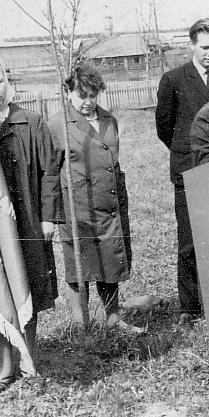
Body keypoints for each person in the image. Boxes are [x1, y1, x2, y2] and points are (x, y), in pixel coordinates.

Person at [0, 47, 59, 395]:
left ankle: (28, 359)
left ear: (8, 81)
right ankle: (5, 365)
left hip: (26, 222)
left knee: (28, 287)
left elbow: (49, 171)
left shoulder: (30, 122)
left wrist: (50, 217)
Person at [45, 64, 142, 333]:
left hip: (109, 203)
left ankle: (113, 315)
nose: (88, 102)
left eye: (93, 95)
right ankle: (81, 322)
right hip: (77, 206)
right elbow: (50, 173)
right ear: (68, 92)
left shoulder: (109, 120)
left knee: (109, 258)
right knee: (80, 264)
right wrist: (50, 214)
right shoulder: (57, 124)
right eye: (81, 95)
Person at [155, 18, 209, 325]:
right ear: (192, 45)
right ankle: (190, 307)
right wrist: (186, 151)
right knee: (189, 240)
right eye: (204, 47)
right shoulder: (173, 79)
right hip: (189, 169)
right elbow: (164, 127)